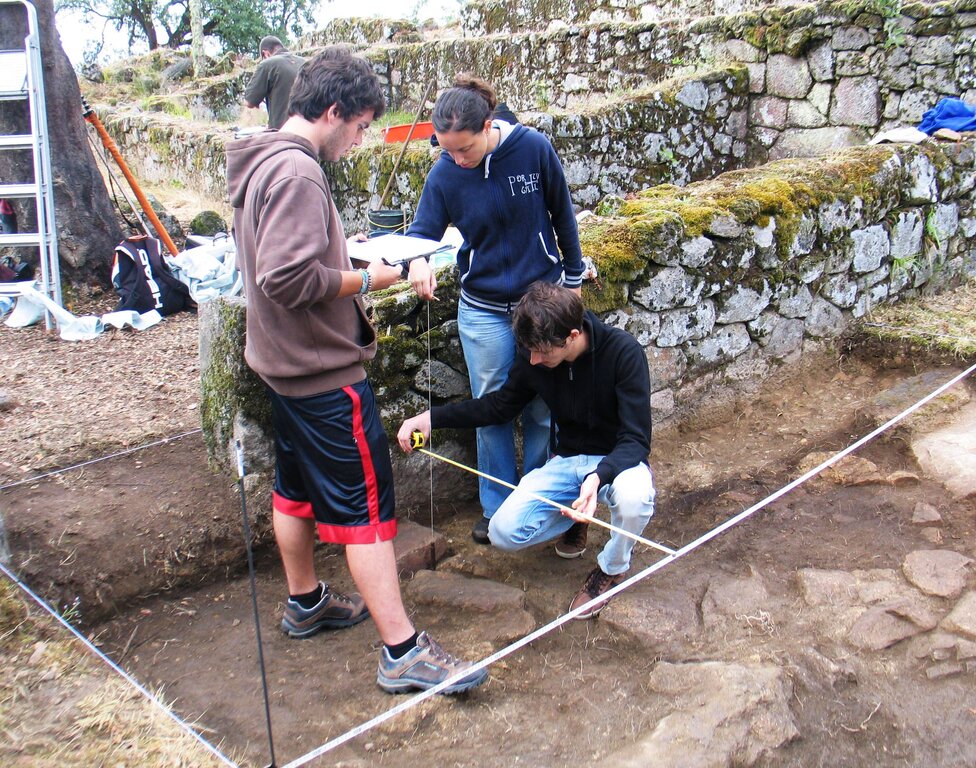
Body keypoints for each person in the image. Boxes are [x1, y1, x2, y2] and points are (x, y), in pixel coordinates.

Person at [226, 47, 487, 695]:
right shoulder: (298, 174)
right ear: (335, 112)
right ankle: (403, 652)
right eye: (363, 125)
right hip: (321, 372)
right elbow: (286, 277)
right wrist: (380, 273)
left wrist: (350, 251)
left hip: (280, 364)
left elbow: (285, 256)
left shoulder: (261, 157)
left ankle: (306, 602)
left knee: (295, 489)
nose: (362, 139)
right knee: (366, 509)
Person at [398, 282, 655, 618]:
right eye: (529, 350)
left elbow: (636, 440)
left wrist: (598, 477)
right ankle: (571, 521)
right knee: (502, 532)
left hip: (618, 461)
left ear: (573, 335)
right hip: (568, 459)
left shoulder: (623, 353)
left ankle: (612, 567)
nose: (533, 360)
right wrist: (432, 417)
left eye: (542, 352)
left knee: (635, 500)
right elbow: (499, 407)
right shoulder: (533, 354)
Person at [404, 74, 585, 547]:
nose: (457, 159)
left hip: (540, 303)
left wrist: (574, 277)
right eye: (447, 150)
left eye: (464, 149)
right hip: (482, 308)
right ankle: (498, 507)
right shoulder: (445, 172)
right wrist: (419, 259)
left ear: (488, 125)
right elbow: (422, 232)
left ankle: (543, 501)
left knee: (545, 407)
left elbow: (563, 213)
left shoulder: (533, 149)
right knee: (492, 411)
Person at [242, 36, 304, 130]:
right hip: (310, 132)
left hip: (283, 133)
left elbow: (249, 102)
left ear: (265, 54)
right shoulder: (305, 62)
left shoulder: (268, 64)